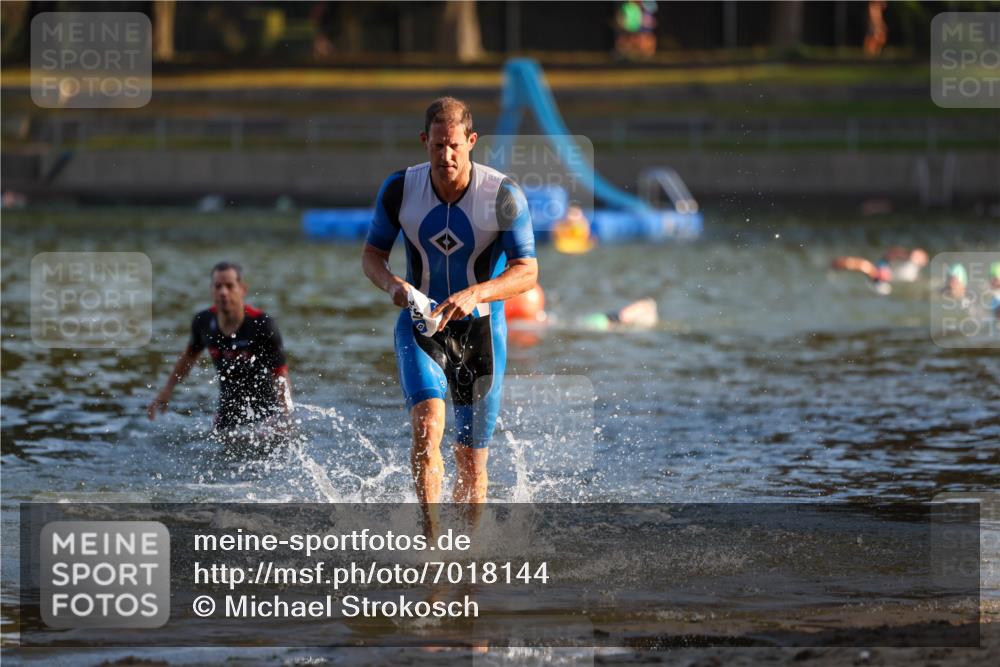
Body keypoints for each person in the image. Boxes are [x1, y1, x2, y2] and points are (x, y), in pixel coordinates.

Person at [361, 97, 537, 535]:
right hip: (422, 326)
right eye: (438, 145)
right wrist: (393, 286)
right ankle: (432, 541)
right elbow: (372, 256)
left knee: (471, 461)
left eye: (455, 145)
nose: (446, 156)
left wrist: (476, 292)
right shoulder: (400, 189)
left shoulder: (502, 194)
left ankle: (467, 556)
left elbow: (527, 271)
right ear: (425, 142)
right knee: (427, 424)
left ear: (472, 142)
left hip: (481, 331)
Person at [147, 262, 293, 437]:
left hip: (265, 411)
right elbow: (189, 357)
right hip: (228, 409)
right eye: (218, 286)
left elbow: (281, 375)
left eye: (229, 286)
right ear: (212, 290)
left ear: (242, 289)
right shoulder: (203, 322)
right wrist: (167, 389)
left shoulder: (262, 324)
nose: (223, 292)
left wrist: (285, 417)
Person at [506, 284, 658, 338]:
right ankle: (644, 307)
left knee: (615, 319)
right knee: (614, 319)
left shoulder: (518, 323)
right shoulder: (527, 319)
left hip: (586, 325)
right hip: (574, 323)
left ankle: (645, 306)